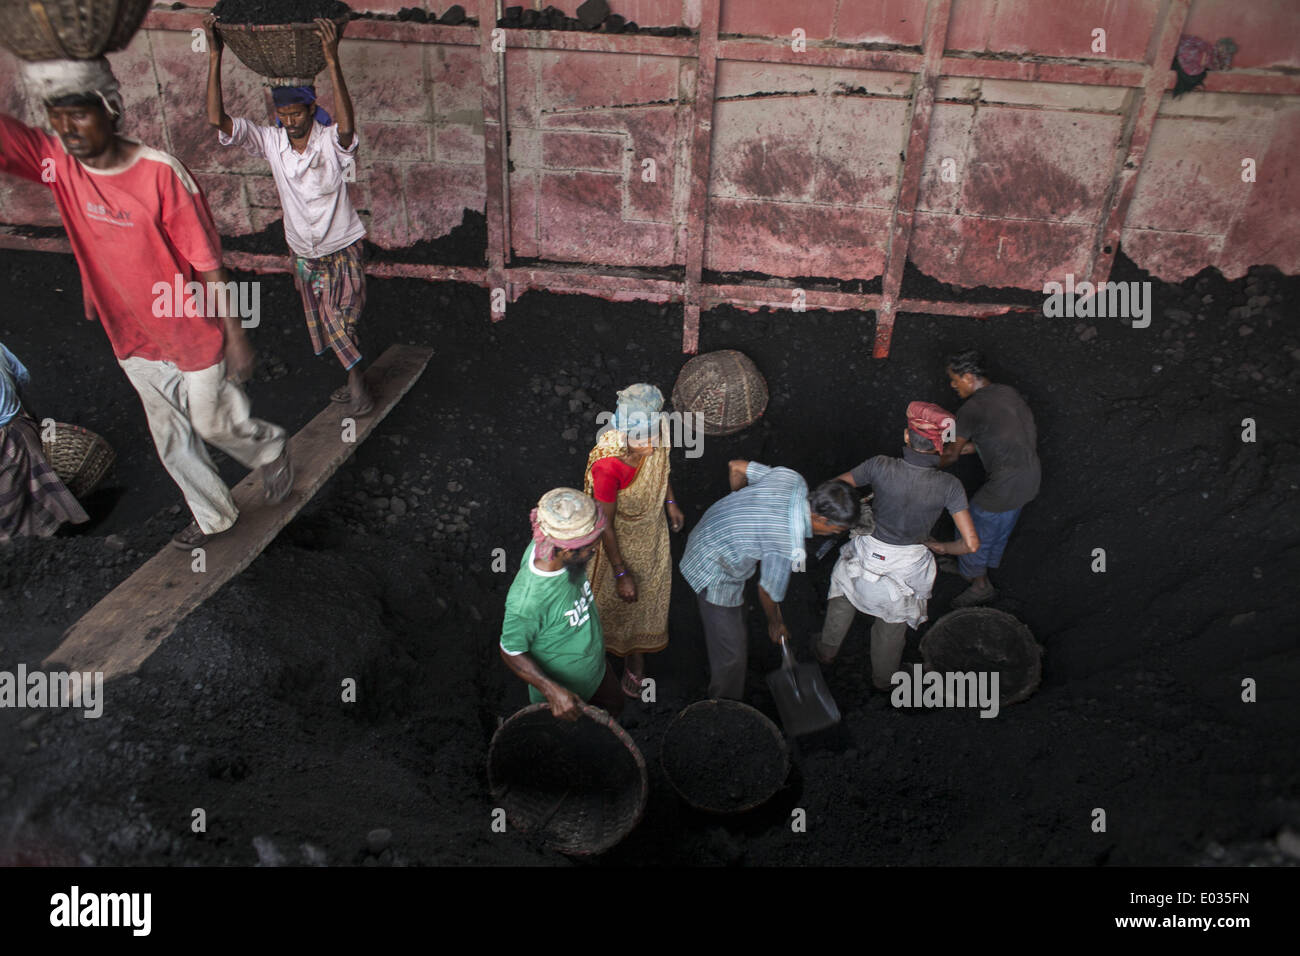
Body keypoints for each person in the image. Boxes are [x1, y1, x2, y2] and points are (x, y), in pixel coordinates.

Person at [0, 58, 293, 551]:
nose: (67, 128)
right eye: (56, 115)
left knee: (212, 422)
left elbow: (206, 261)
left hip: (190, 329)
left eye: (79, 114)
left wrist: (236, 333)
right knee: (170, 437)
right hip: (130, 335)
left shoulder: (159, 174)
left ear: (110, 109)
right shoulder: (59, 164)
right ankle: (215, 518)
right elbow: (11, 141)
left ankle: (270, 449)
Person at [206, 16, 373, 416]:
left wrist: (332, 60)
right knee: (325, 320)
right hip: (303, 252)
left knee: (339, 318)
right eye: (283, 114)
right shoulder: (271, 141)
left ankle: (357, 381)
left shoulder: (330, 141)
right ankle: (353, 375)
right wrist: (215, 55)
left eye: (297, 113)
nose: (290, 120)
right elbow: (218, 121)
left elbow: (348, 128)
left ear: (312, 108)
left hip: (342, 245)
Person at [814, 402, 980, 690]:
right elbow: (970, 544)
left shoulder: (879, 465)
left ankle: (827, 651)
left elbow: (833, 488)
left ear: (906, 436)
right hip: (907, 568)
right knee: (892, 625)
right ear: (940, 446)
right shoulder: (949, 485)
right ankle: (884, 679)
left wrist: (857, 512)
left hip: (865, 554)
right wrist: (940, 547)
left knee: (843, 595)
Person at [680, 461, 857, 700]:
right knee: (731, 657)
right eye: (836, 531)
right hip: (713, 567)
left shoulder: (793, 480)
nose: (834, 536)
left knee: (737, 613)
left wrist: (741, 513)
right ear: (821, 519)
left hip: (710, 525)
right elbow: (767, 591)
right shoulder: (787, 541)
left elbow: (735, 467)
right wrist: (775, 623)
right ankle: (723, 708)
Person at [583, 384, 684, 697]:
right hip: (618, 542)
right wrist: (621, 572)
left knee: (644, 601)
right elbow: (605, 524)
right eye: (645, 439)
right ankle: (593, 660)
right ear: (625, 435)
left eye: (655, 434)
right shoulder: (608, 467)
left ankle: (635, 657)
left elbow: (661, 468)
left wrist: (670, 503)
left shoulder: (656, 431)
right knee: (612, 603)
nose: (653, 445)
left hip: (651, 534)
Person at [499, 488, 625, 720]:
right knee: (568, 740)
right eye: (590, 547)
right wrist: (552, 690)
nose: (595, 550)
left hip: (595, 665)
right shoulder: (529, 599)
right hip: (566, 685)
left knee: (615, 706)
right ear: (567, 550)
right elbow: (510, 649)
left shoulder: (551, 543)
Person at [938, 349, 1041, 606]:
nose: (952, 385)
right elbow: (991, 441)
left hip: (1004, 486)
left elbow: (950, 456)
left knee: (971, 527)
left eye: (955, 379)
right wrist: (954, 452)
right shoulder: (1007, 393)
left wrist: (924, 460)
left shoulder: (972, 409)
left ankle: (979, 583)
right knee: (999, 526)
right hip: (1029, 478)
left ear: (970, 377)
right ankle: (972, 566)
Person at [0, 342, 89, 541]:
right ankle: (54, 539)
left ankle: (36, 547)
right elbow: (22, 376)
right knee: (36, 493)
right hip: (22, 427)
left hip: (6, 440)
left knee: (11, 512)